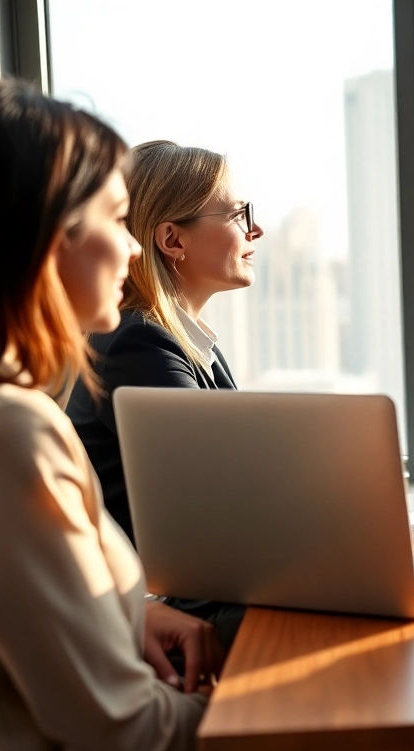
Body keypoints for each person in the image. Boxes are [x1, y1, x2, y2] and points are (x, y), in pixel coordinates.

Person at [0, 75, 219, 751]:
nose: (133, 248)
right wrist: (271, 706)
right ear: (48, 236)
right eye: (116, 219)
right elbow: (124, 735)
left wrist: (120, 612)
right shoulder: (5, 430)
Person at [67, 140, 262, 544]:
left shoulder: (186, 344)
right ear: (173, 240)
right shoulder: (137, 345)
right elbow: (227, 490)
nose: (255, 229)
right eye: (240, 214)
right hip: (161, 592)